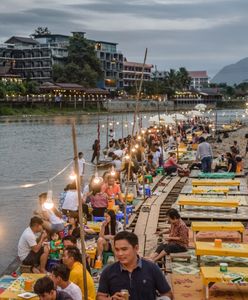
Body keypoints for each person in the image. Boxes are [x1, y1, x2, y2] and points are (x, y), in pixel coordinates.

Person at [97, 231, 172, 300]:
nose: (120, 254)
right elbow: (100, 296)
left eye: (124, 249)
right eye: (117, 249)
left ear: (136, 248)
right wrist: (111, 299)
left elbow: (167, 293)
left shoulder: (152, 268)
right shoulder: (108, 271)